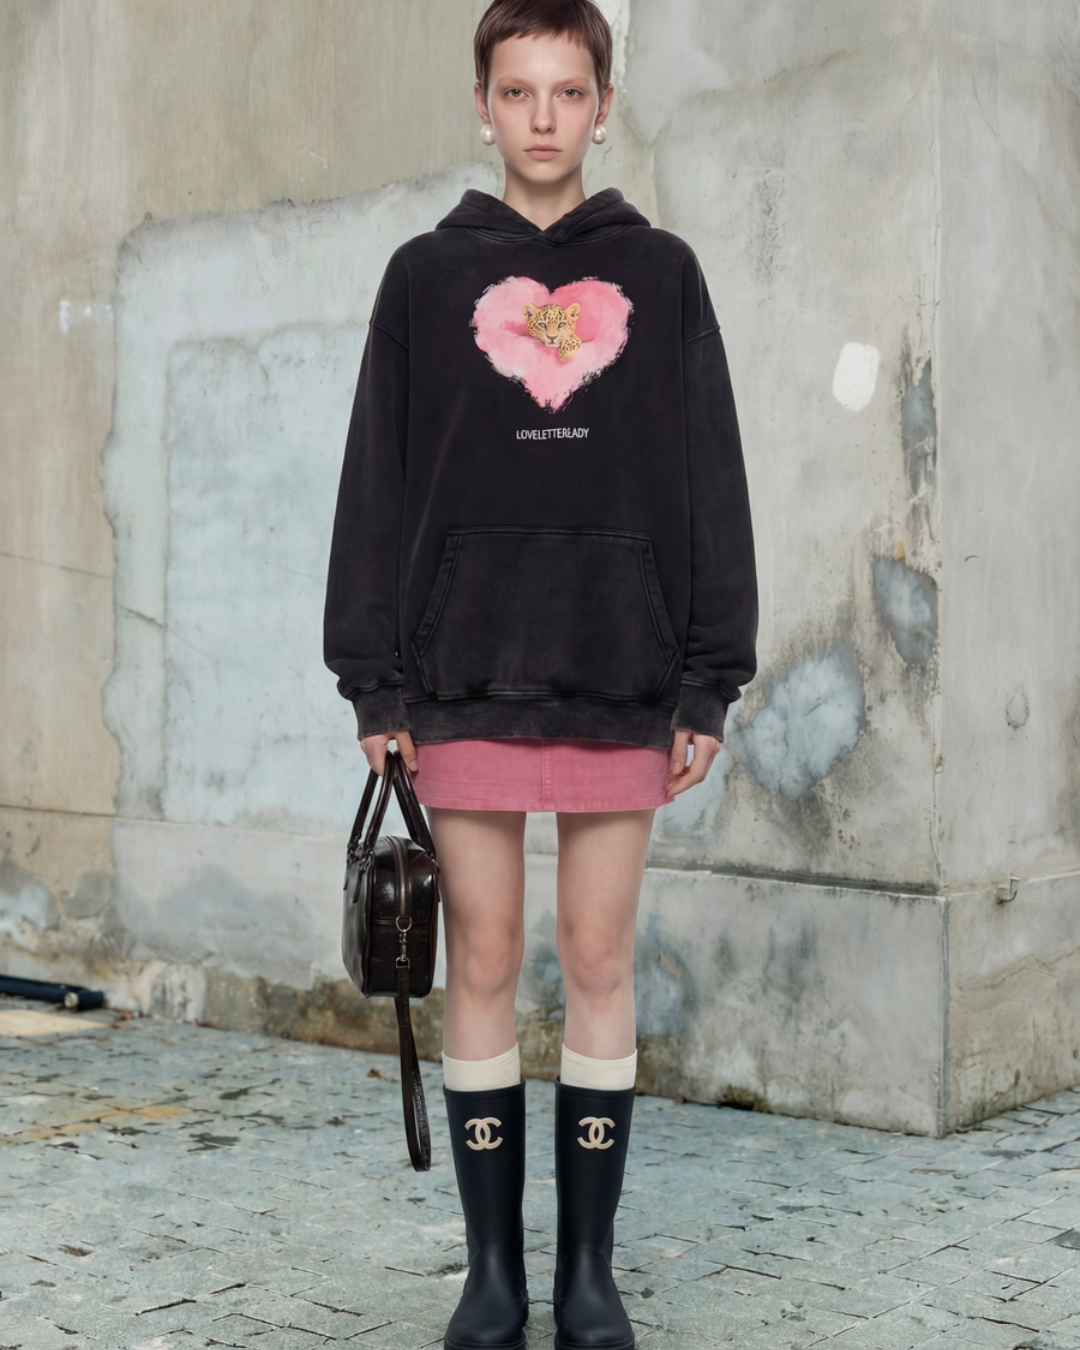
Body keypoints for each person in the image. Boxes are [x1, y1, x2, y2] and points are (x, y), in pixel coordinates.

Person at [323, 2, 758, 1345]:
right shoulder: (421, 279)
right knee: (485, 956)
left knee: (598, 953)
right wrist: (375, 684)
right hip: (463, 675)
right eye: (518, 91)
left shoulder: (664, 276)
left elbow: (711, 477)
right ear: (483, 104)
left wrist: (708, 677)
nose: (544, 117)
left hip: (620, 673)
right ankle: (492, 1276)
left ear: (604, 105)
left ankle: (588, 1275)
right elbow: (377, 484)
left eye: (569, 90)